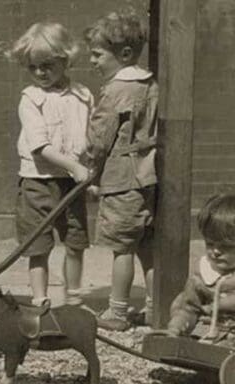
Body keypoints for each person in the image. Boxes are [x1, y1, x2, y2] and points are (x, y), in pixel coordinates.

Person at [7, 22, 93, 309]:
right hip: (38, 181)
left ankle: (73, 300)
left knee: (76, 242)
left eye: (47, 65)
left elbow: (91, 136)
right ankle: (41, 300)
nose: (40, 73)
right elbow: (40, 147)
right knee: (38, 246)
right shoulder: (31, 99)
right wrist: (76, 167)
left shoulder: (83, 95)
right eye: (33, 67)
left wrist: (88, 168)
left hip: (72, 182)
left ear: (65, 60)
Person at [84, 11, 158, 331]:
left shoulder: (116, 91)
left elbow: (100, 138)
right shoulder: (150, 83)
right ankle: (157, 307)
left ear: (124, 54)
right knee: (146, 246)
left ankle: (117, 311)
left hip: (121, 179)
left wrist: (91, 170)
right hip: (148, 175)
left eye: (98, 54)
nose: (92, 60)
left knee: (122, 247)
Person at [166, 194, 235, 338]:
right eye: (210, 244)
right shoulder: (203, 275)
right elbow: (188, 307)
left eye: (226, 247)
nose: (215, 252)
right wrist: (178, 325)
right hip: (209, 332)